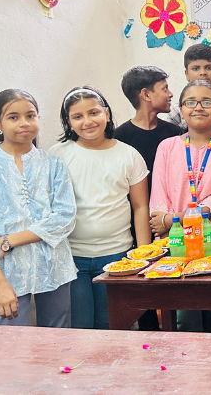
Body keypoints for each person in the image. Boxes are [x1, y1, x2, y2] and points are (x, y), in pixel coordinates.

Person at [0, 90, 77, 327]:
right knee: (5, 344)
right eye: (13, 117)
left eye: (31, 115)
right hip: (5, 269)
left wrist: (8, 240)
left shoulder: (53, 164)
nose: (24, 123)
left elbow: (64, 217)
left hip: (55, 264)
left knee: (57, 338)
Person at [49, 86, 150, 329]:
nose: (87, 121)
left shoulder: (128, 154)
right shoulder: (57, 155)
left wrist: (145, 257)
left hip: (117, 257)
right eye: (77, 116)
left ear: (106, 112)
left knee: (113, 326)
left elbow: (140, 207)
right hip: (72, 258)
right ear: (68, 122)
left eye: (94, 112)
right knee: (80, 327)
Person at [149, 80, 211, 332]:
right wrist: (168, 222)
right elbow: (158, 200)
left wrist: (172, 218)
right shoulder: (167, 147)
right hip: (176, 242)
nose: (198, 107)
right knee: (184, 317)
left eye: (207, 102)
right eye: (191, 102)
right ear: (181, 108)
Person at [115, 65, 181, 331]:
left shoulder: (174, 134)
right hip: (135, 224)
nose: (170, 94)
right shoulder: (119, 138)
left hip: (171, 222)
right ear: (145, 94)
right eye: (164, 89)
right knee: (144, 289)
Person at [164, 44, 211, 130]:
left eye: (209, 68)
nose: (203, 73)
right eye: (195, 69)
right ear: (186, 74)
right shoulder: (177, 112)